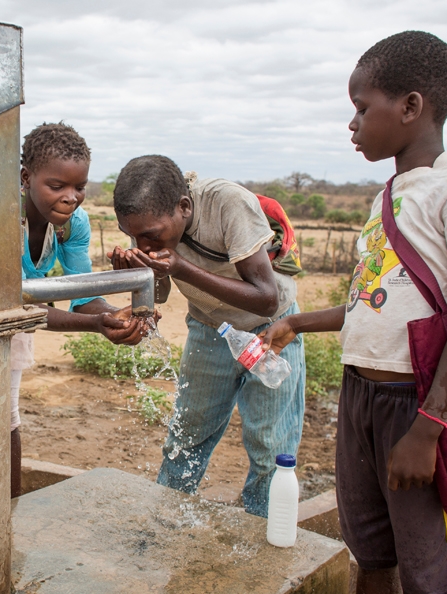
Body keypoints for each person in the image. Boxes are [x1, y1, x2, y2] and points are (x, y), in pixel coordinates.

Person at [262, 31, 447, 594]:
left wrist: (427, 431)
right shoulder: (387, 198)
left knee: (432, 581)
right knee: (371, 557)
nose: (352, 123)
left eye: (361, 106)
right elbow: (370, 305)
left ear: (411, 107)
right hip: (361, 397)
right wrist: (296, 320)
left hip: (414, 404)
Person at [108, 155, 306, 517]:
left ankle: (266, 534)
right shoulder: (153, 229)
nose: (142, 242)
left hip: (271, 331)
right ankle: (166, 524)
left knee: (269, 444)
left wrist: (183, 267)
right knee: (187, 436)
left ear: (184, 207)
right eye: (132, 234)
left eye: (150, 234)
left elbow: (266, 298)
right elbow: (161, 293)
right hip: (210, 328)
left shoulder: (227, 203)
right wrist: (136, 276)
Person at [13, 122, 149, 497]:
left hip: (17, 319)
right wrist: (95, 324)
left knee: (6, 418)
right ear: (26, 177)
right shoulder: (0, 217)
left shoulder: (73, 225)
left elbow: (80, 294)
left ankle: (8, 517)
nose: (72, 197)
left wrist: (115, 312)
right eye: (57, 187)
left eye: (80, 187)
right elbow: (16, 304)